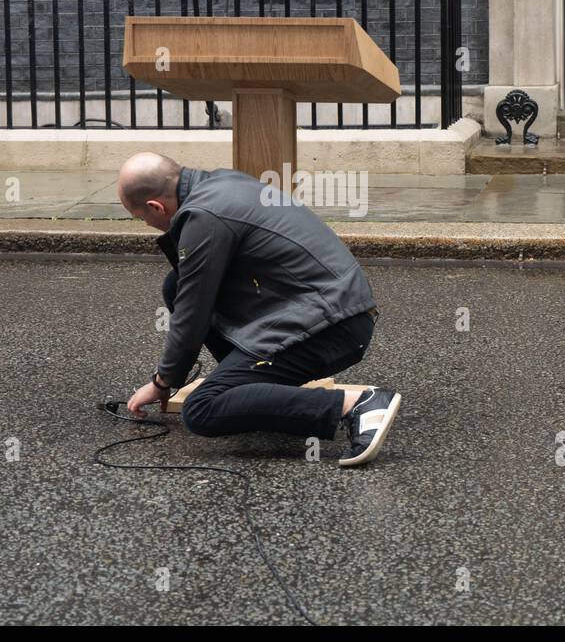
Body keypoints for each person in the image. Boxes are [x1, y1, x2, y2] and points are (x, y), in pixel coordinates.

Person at [116, 152, 401, 467]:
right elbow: (191, 293)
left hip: (333, 325)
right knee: (176, 283)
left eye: (142, 218)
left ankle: (358, 405)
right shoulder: (222, 181)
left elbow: (191, 313)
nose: (148, 225)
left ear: (157, 206)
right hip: (335, 309)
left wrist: (162, 382)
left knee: (202, 409)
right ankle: (254, 391)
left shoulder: (204, 215)